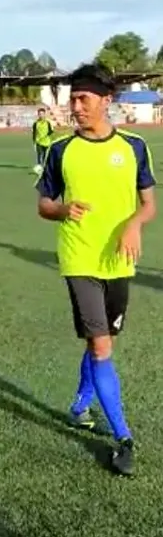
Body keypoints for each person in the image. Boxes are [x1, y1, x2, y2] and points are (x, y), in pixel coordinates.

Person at [36, 63, 156, 476]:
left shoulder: (135, 147)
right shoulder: (60, 150)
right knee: (102, 347)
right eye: (73, 98)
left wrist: (134, 225)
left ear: (107, 101)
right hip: (79, 259)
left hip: (119, 261)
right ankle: (124, 437)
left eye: (83, 98)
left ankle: (79, 404)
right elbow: (43, 205)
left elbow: (148, 204)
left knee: (102, 345)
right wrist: (64, 209)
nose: (76, 106)